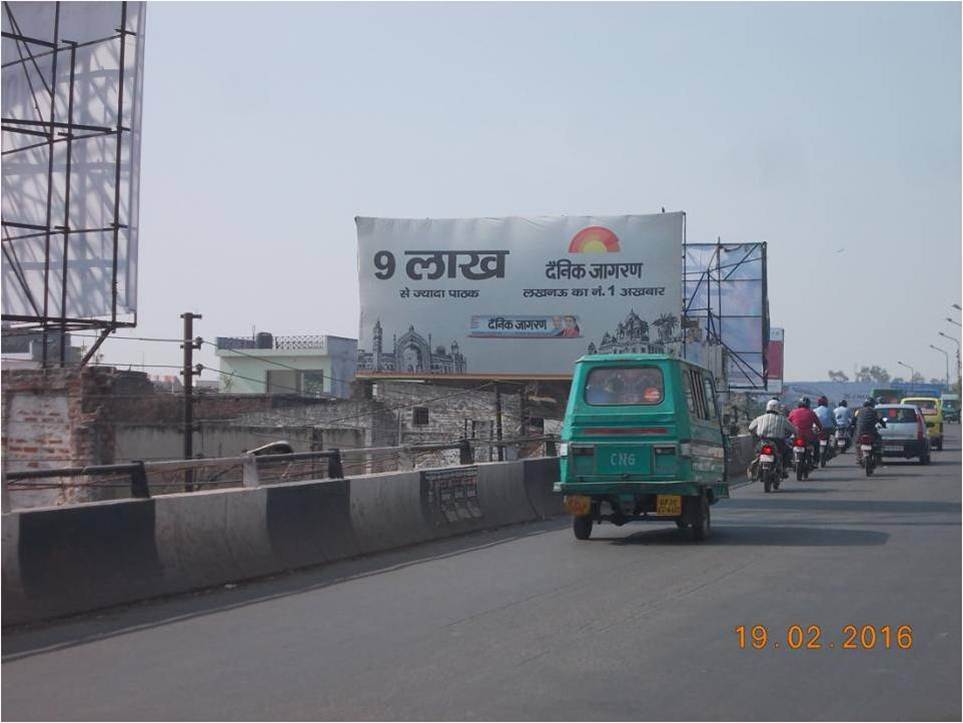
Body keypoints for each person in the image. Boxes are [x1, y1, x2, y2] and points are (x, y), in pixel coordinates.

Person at [748, 399, 798, 478]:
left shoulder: (760, 418)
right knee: (787, 452)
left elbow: (750, 428)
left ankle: (755, 468)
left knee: (757, 453)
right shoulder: (782, 419)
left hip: (762, 441)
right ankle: (784, 469)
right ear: (778, 408)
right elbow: (793, 430)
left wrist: (756, 434)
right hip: (778, 442)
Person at [788, 397, 823, 467]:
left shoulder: (793, 412)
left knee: (788, 446)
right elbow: (819, 425)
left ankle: (789, 461)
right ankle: (816, 461)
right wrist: (820, 430)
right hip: (808, 436)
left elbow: (788, 422)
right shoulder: (812, 413)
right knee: (816, 443)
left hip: (796, 435)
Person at [854, 397, 887, 462]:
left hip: (860, 432)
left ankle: (859, 457)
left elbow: (853, 421)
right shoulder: (874, 411)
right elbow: (880, 420)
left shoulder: (859, 411)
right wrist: (884, 425)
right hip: (871, 432)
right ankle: (878, 454)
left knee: (857, 443)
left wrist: (853, 426)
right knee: (879, 439)